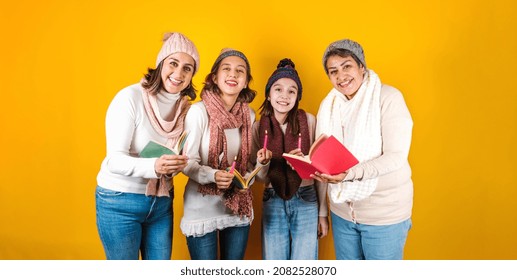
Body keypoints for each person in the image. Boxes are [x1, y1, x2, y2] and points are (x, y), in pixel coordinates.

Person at [95, 32, 200, 260]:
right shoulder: (129, 98)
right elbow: (114, 160)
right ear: (161, 64)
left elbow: (181, 155)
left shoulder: (186, 109)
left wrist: (176, 164)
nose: (178, 73)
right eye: (173, 63)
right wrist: (156, 166)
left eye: (187, 68)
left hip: (161, 201)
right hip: (120, 201)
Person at [313, 39, 413, 260]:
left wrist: (349, 174)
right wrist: (322, 211)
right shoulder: (328, 106)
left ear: (362, 67)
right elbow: (323, 164)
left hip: (384, 215)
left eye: (347, 66)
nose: (341, 76)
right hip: (342, 214)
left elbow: (395, 157)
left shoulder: (388, 98)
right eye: (333, 71)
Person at [180, 48, 271, 260]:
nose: (233, 75)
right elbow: (187, 163)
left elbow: (250, 169)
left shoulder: (248, 114)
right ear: (214, 77)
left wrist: (261, 162)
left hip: (237, 208)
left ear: (246, 81)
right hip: (201, 207)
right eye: (226, 69)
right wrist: (213, 176)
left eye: (240, 71)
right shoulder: (199, 112)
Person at [251, 58, 328, 260]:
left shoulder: (310, 121)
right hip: (272, 198)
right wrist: (263, 164)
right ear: (268, 94)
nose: (284, 96)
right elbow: (258, 179)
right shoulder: (257, 127)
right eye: (278, 89)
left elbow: (321, 173)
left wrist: (323, 213)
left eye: (291, 91)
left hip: (306, 197)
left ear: (297, 97)